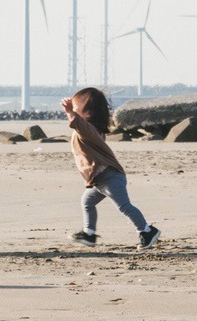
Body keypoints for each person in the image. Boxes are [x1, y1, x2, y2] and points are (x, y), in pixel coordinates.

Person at [63, 87, 161, 249]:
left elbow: (76, 123)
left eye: (74, 108)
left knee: (124, 206)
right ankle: (89, 234)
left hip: (109, 177)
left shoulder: (88, 130)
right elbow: (78, 124)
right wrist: (72, 112)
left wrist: (69, 113)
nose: (71, 111)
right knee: (87, 201)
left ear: (87, 114)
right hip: (99, 179)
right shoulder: (91, 130)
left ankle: (146, 231)